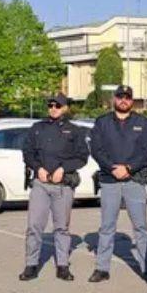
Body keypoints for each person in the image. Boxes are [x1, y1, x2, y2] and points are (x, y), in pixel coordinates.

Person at [88, 85, 147, 283]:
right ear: (114, 99)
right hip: (110, 180)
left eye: (127, 97)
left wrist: (128, 167)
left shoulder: (143, 123)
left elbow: (146, 151)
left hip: (134, 179)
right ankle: (102, 268)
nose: (123, 100)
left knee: (141, 226)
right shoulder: (102, 123)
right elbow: (96, 149)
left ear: (132, 100)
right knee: (107, 226)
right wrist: (112, 167)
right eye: (120, 97)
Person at [20, 93, 91, 281]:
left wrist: (64, 168)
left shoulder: (74, 131)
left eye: (57, 105)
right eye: (50, 105)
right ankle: (31, 264)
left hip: (63, 185)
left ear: (65, 108)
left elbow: (82, 157)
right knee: (34, 225)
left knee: (61, 227)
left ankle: (62, 265)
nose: (53, 108)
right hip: (41, 184)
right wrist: (37, 168)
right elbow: (27, 152)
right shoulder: (37, 128)